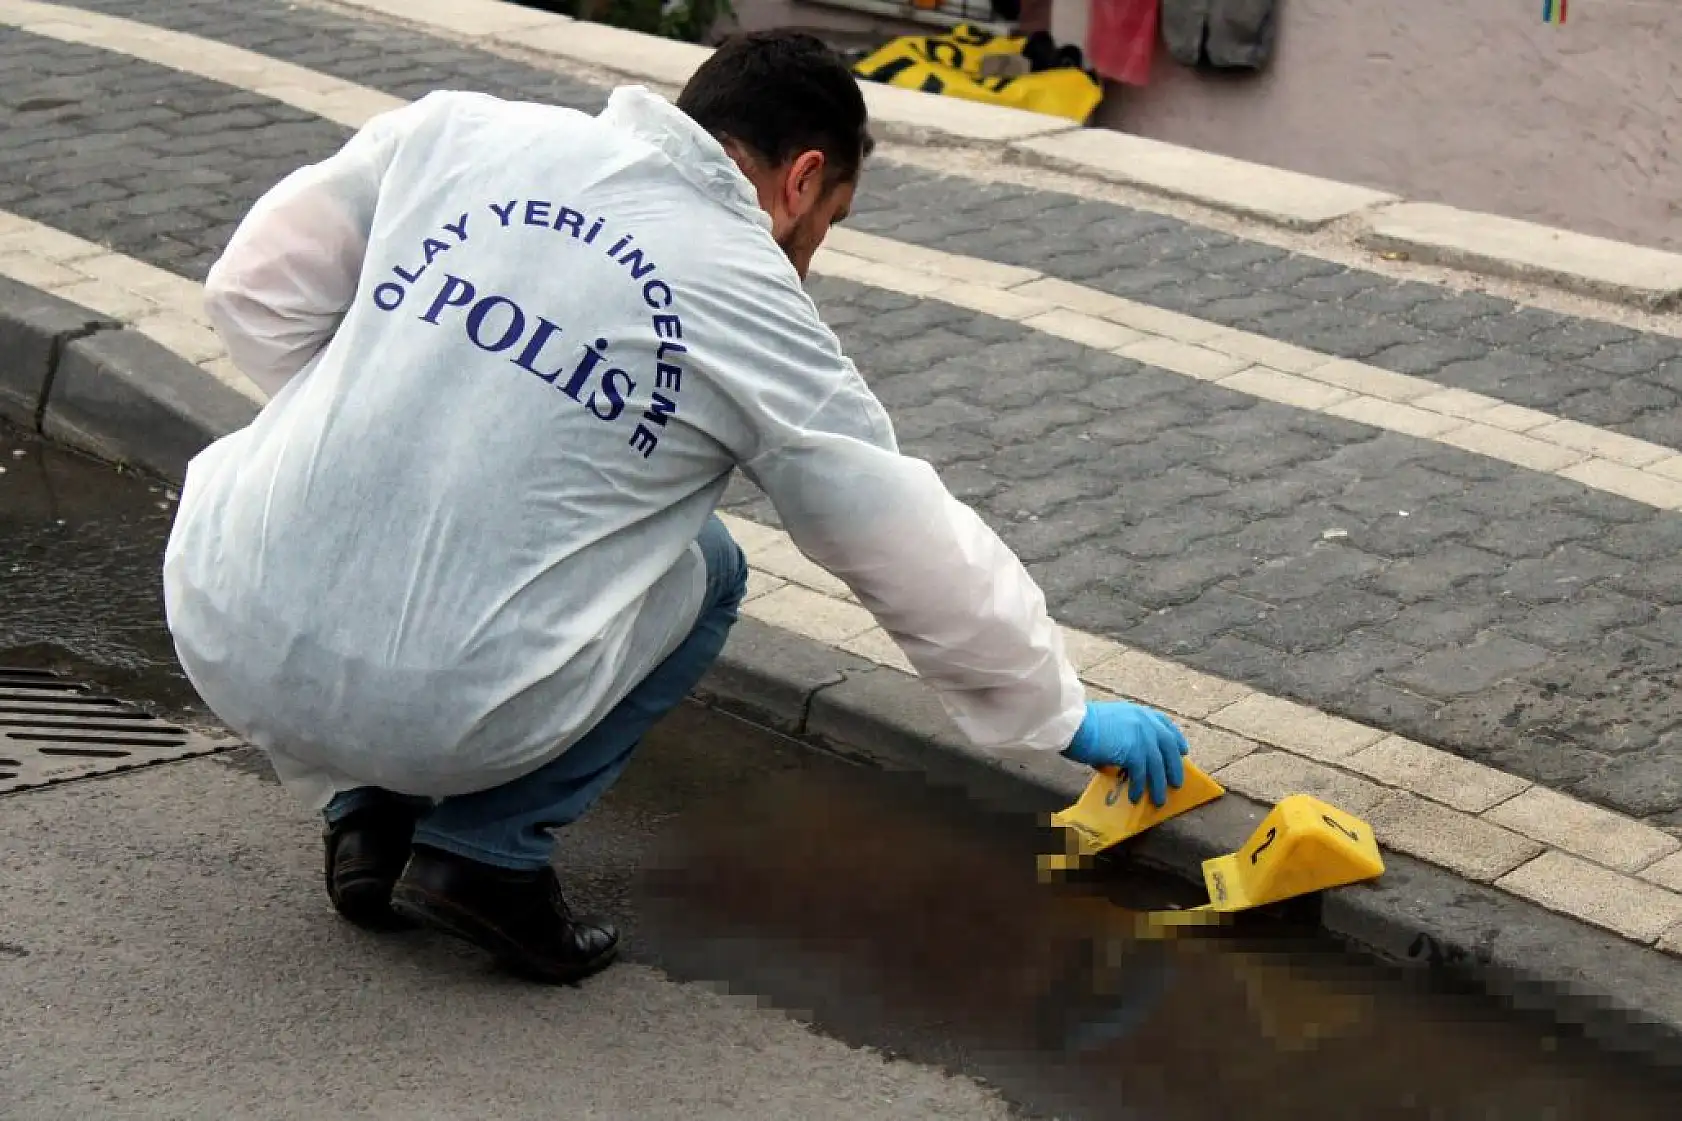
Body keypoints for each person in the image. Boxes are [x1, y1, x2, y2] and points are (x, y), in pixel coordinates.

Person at [162, 29, 1189, 985]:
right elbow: (895, 534)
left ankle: (366, 812)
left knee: (325, 490)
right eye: (824, 226)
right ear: (800, 181)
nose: (809, 257)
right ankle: (487, 853)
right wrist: (1057, 709)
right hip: (453, 706)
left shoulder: (455, 130)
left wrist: (377, 425)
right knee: (712, 568)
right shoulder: (749, 295)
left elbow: (253, 293)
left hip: (224, 622)